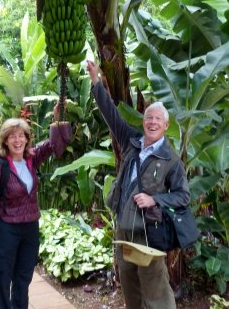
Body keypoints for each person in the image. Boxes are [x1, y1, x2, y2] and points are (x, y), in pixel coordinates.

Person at [86, 60, 190, 309]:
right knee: (130, 289)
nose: (152, 122)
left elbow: (182, 196)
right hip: (124, 230)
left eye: (158, 119)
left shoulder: (171, 160)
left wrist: (155, 199)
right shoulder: (131, 140)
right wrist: (95, 81)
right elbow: (110, 113)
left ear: (166, 126)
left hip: (148, 234)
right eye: (148, 117)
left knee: (156, 294)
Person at [0, 103, 69, 309]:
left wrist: (57, 119)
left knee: (23, 278)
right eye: (13, 136)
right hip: (6, 229)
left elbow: (54, 143)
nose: (18, 140)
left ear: (27, 139)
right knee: (2, 278)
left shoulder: (31, 159)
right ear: (5, 141)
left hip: (29, 229)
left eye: (22, 136)